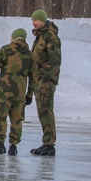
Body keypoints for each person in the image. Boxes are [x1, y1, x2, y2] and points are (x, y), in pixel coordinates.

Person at [0, 28, 35, 155]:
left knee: (0, 116)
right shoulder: (29, 54)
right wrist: (29, 94)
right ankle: (13, 146)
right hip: (20, 93)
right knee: (17, 119)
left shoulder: (6, 50)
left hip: (4, 91)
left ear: (13, 37)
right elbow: (34, 76)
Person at [29, 9, 61, 156]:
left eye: (36, 20)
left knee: (46, 110)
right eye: (32, 20)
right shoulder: (40, 37)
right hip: (39, 79)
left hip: (46, 80)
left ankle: (50, 143)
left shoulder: (50, 36)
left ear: (43, 20)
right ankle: (46, 141)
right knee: (42, 110)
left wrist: (47, 77)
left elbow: (54, 59)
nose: (33, 23)